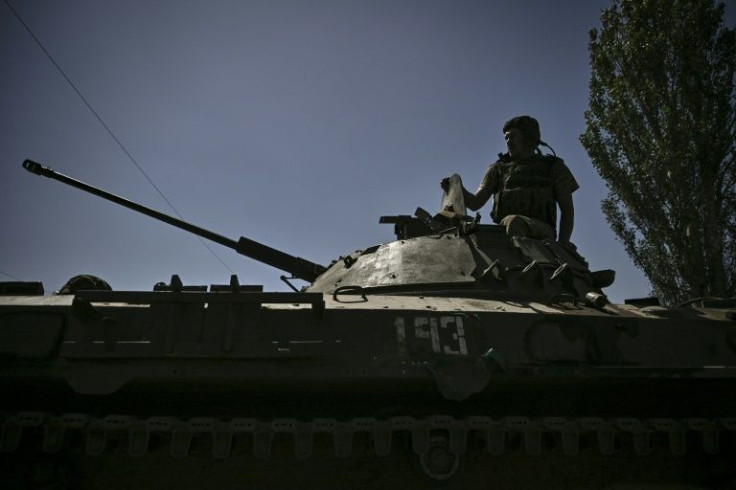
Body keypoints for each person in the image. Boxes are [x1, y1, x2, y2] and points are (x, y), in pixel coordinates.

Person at [443, 116, 578, 243]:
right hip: (506, 229)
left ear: (527, 138)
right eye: (506, 138)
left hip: (542, 232)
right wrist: (457, 189)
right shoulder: (498, 169)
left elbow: (567, 212)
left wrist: (563, 245)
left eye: (513, 136)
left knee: (514, 221)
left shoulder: (553, 168)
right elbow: (475, 203)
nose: (508, 141)